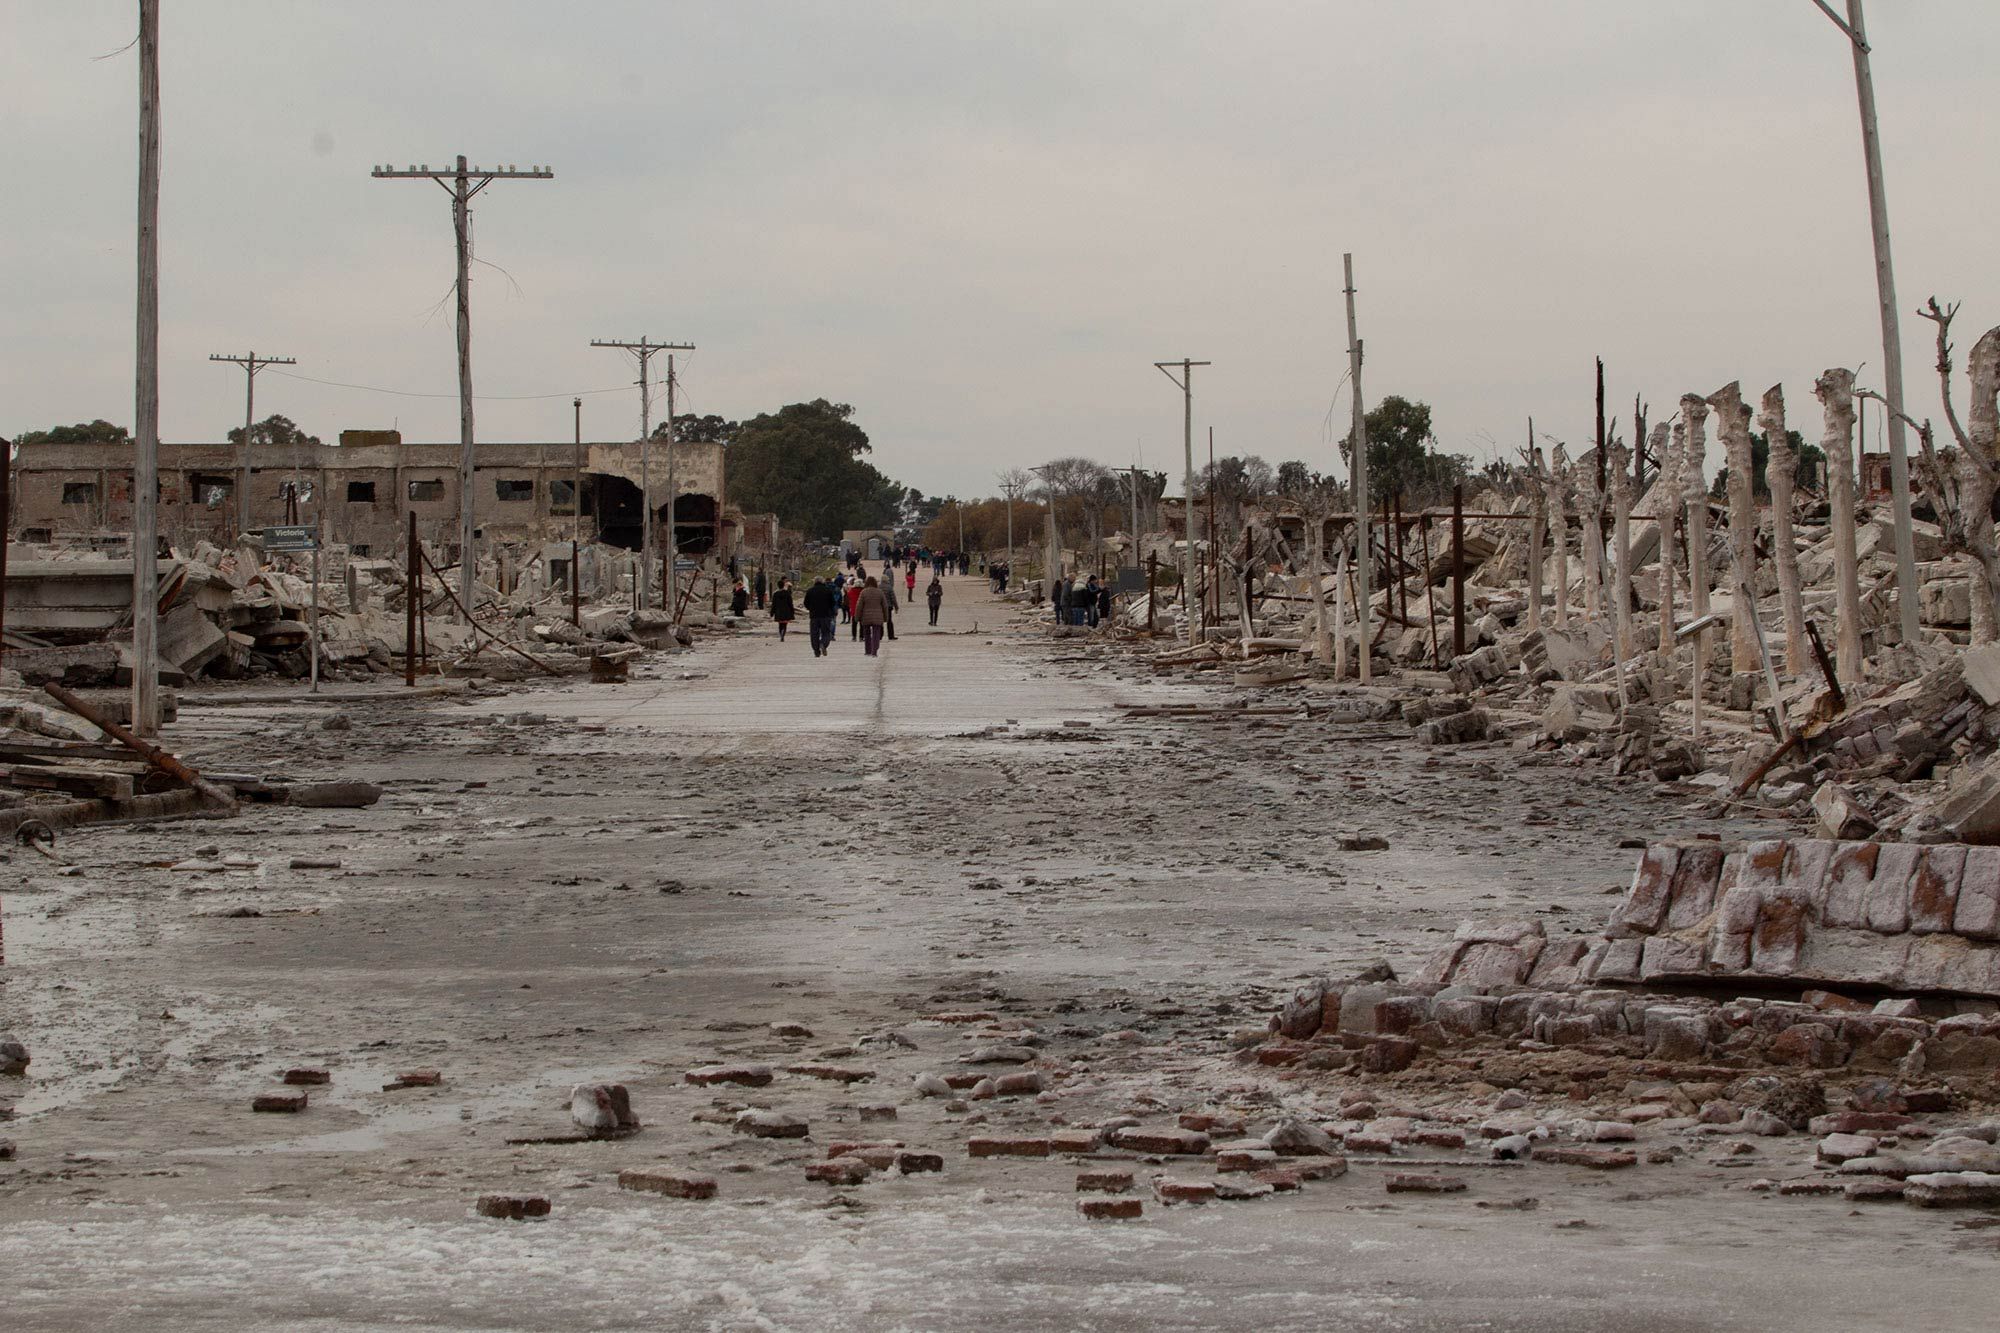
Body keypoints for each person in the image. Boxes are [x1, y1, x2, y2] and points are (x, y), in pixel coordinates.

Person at [803, 576, 837, 656]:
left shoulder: (810, 591)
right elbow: (833, 603)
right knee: (826, 632)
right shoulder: (828, 591)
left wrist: (810, 608)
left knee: (814, 633)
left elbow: (806, 603)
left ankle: (816, 650)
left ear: (814, 582)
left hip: (814, 615)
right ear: (823, 582)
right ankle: (823, 644)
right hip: (825, 615)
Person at [856, 575, 888, 656]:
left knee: (866, 634)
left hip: (866, 616)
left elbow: (859, 606)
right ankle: (874, 651)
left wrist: (857, 617)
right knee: (876, 634)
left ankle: (868, 651)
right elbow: (885, 606)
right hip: (877, 616)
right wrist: (886, 617)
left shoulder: (863, 592)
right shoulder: (880, 592)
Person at [770, 577, 796, 642]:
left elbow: (773, 604)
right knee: (785, 624)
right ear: (783, 585)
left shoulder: (775, 594)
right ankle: (783, 635)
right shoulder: (787, 593)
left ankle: (781, 634)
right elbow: (790, 603)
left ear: (778, 586)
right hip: (786, 611)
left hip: (778, 611)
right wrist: (792, 611)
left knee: (780, 624)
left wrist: (772, 613)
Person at [846, 575, 865, 640]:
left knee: (854, 624)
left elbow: (848, 596)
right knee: (862, 624)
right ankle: (861, 636)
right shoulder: (863, 591)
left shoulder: (851, 591)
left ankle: (854, 636)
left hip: (854, 609)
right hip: (862, 609)